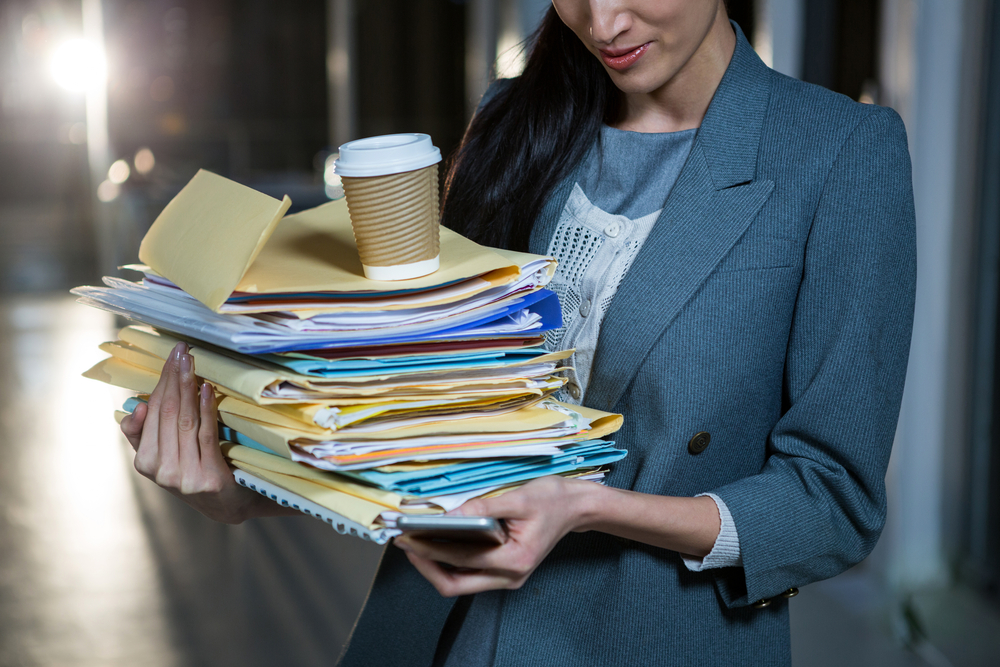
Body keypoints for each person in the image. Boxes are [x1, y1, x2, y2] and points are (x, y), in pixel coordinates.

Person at [121, 1, 917, 665]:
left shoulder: (838, 152)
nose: (603, 22)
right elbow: (423, 426)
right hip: (434, 635)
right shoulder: (516, 120)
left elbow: (833, 501)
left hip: (648, 638)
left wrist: (591, 506)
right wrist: (245, 490)